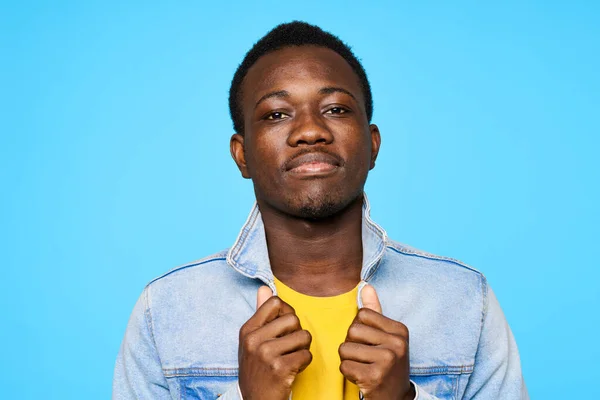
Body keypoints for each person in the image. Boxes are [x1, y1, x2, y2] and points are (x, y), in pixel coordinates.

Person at [113, 21, 528, 400]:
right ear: (242, 156)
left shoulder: (463, 301)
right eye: (276, 114)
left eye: (335, 109)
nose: (311, 131)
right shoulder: (166, 311)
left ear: (372, 145)